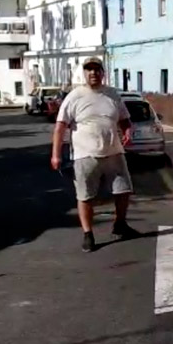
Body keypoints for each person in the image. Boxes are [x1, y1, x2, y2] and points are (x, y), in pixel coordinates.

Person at [50, 56, 139, 252]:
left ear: (102, 73)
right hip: (85, 155)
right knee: (85, 196)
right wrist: (55, 155)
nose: (93, 73)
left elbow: (124, 119)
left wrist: (127, 130)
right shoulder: (75, 96)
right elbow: (60, 127)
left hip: (114, 152)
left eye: (96, 69)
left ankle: (120, 225)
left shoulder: (112, 95)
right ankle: (88, 234)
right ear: (84, 73)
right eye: (89, 70)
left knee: (123, 190)